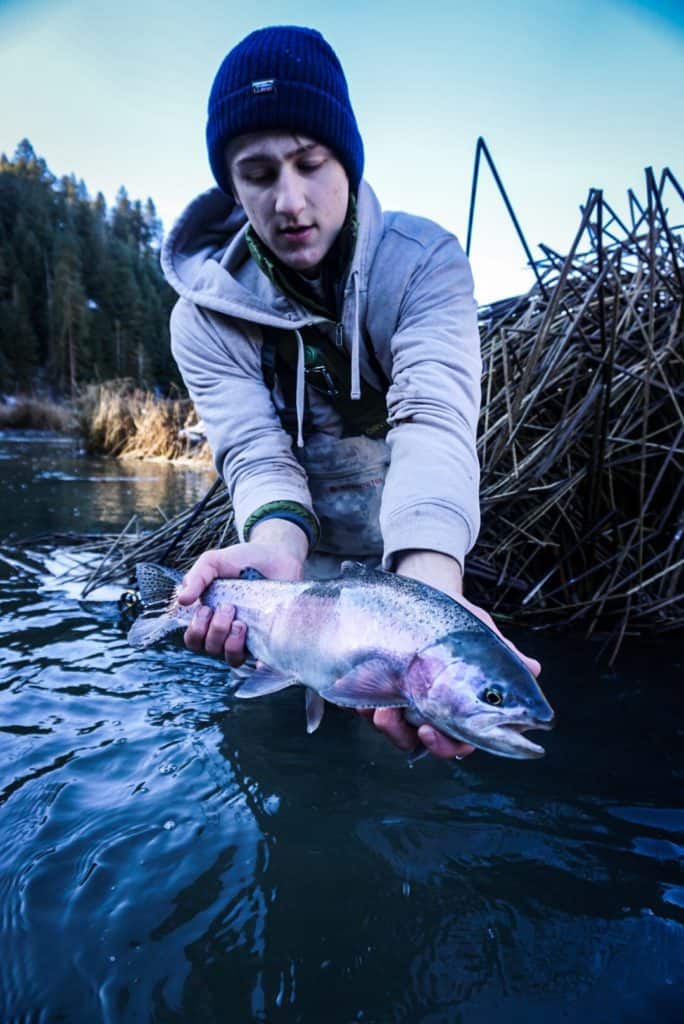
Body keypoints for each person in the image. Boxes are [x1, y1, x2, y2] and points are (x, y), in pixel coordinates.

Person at [162, 25, 540, 760]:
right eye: (259, 174)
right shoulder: (202, 318)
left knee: (409, 758)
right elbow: (256, 458)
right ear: (231, 187)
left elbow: (434, 421)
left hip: (420, 568)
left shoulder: (424, 263)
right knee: (284, 774)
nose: (290, 201)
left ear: (347, 157)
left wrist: (433, 604)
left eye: (311, 162)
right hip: (298, 579)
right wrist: (271, 555)